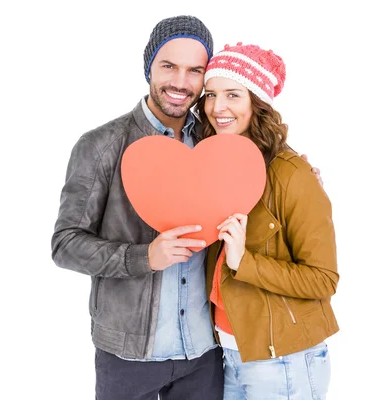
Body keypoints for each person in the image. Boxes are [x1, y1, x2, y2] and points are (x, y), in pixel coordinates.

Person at [52, 15, 323, 399]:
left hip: (205, 353)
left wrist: (299, 169)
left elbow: (258, 160)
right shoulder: (100, 146)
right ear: (149, 67)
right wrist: (144, 256)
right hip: (128, 354)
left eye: (195, 70)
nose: (181, 82)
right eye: (169, 66)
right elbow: (65, 244)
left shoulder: (216, 137)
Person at [196, 43, 339, 399]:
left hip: (283, 361)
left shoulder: (292, 174)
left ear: (257, 102)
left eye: (233, 94)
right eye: (211, 95)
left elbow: (324, 280)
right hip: (228, 352)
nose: (218, 107)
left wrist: (245, 262)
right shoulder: (215, 168)